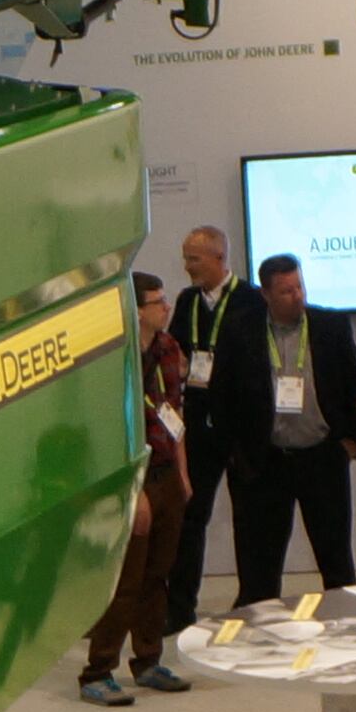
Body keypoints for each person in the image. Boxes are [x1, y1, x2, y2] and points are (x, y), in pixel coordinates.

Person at [210, 250, 356, 610]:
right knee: (259, 570)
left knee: (336, 562)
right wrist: (238, 456)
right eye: (286, 291)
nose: (297, 295)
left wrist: (350, 441)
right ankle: (259, 642)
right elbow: (222, 396)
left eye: (299, 286)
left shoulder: (330, 327)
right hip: (265, 464)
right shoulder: (240, 330)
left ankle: (348, 629)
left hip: (322, 458)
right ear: (265, 294)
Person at [79, 277, 197, 703]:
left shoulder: (168, 349)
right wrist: (134, 491)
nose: (165, 307)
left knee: (157, 576)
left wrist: (183, 475)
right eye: (157, 301)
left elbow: (174, 412)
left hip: (166, 473)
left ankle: (148, 660)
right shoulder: (113, 354)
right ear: (135, 308)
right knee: (126, 580)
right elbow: (108, 428)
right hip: (133, 477)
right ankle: (98, 669)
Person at [160, 226, 250, 615]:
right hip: (198, 427)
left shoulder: (249, 300)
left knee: (249, 520)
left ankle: (254, 602)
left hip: (239, 427)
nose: (187, 266)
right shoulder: (187, 301)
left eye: (194, 259)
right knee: (191, 519)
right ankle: (180, 609)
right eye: (185, 258)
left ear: (218, 257)